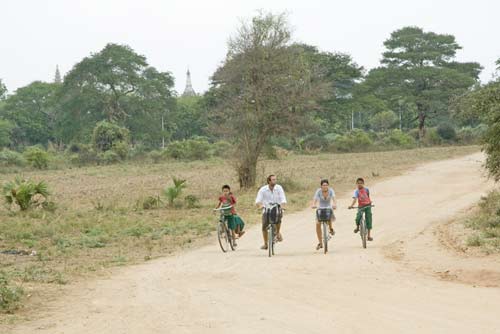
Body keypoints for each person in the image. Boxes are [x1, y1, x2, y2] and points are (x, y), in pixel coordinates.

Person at [255, 174, 287, 250]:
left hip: (277, 208)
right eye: (273, 180)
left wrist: (283, 206)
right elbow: (258, 200)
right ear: (269, 181)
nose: (275, 181)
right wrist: (260, 206)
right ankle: (266, 244)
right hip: (266, 209)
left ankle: (278, 233)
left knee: (279, 218)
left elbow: (283, 199)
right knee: (264, 226)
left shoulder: (279, 188)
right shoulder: (263, 189)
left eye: (275, 179)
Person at [311, 179, 337, 250]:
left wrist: (334, 204)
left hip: (328, 207)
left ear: (328, 186)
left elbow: (334, 198)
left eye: (326, 185)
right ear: (321, 186)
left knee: (329, 215)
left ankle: (331, 229)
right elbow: (315, 199)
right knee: (317, 224)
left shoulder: (331, 190)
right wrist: (313, 204)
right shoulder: (318, 191)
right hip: (320, 208)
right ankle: (320, 243)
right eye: (323, 185)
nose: (325, 186)